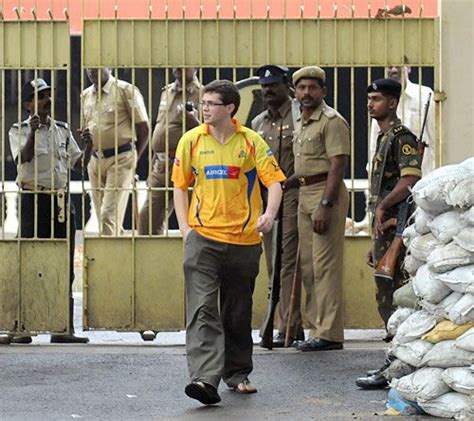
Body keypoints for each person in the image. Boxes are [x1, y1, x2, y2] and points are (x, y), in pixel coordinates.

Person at [172, 80, 285, 405]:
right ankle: (205, 380)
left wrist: (269, 215)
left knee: (237, 310)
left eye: (211, 103)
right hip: (203, 239)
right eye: (203, 102)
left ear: (230, 108)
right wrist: (185, 228)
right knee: (203, 308)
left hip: (244, 240)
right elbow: (180, 186)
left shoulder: (251, 142)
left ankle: (236, 374)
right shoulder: (191, 141)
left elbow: (274, 182)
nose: (204, 108)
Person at [4, 78, 92, 344]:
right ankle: (25, 327)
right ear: (28, 103)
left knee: (64, 265)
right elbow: (23, 159)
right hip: (34, 198)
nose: (47, 100)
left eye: (48, 95)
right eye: (40, 97)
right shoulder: (18, 130)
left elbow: (79, 166)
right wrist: (32, 132)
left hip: (60, 202)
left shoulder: (62, 131)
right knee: (29, 262)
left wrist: (88, 145)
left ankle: (63, 327)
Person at [356, 78, 422, 389]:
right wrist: (374, 239)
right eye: (369, 99)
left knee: (394, 296)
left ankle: (398, 363)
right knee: (385, 295)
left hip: (398, 228)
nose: (371, 104)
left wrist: (385, 206)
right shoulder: (383, 137)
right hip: (384, 231)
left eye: (377, 99)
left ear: (393, 103)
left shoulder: (401, 137)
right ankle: (395, 359)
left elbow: (409, 178)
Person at [289, 66, 350, 352]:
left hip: (327, 193)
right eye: (302, 88)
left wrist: (326, 204)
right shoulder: (301, 120)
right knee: (309, 267)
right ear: (295, 92)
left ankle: (329, 333)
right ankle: (316, 327)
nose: (307, 93)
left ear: (323, 91)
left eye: (313, 88)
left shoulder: (331, 120)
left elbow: (337, 165)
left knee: (325, 267)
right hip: (304, 192)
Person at [251, 64, 303, 347]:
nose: (268, 90)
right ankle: (279, 319)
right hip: (268, 197)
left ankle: (288, 324)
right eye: (264, 86)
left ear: (286, 86)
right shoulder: (258, 123)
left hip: (295, 191)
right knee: (273, 261)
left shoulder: (298, 116)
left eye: (274, 85)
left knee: (290, 261)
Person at [82, 68, 149, 236]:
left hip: (121, 158)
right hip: (95, 159)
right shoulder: (85, 95)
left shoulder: (125, 90)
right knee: (103, 216)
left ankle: (108, 260)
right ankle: (118, 254)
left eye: (97, 66)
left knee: (108, 215)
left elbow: (143, 127)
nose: (92, 71)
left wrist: (134, 159)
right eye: (89, 67)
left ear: (109, 67)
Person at [139, 68, 201, 235]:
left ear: (196, 67)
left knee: (191, 220)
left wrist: (193, 121)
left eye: (184, 65)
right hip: (160, 165)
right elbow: (160, 128)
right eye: (175, 64)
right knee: (147, 220)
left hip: (187, 165)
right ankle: (152, 259)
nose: (177, 69)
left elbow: (209, 133)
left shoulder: (202, 94)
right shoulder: (166, 92)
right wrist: (152, 164)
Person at [369, 60, 435, 176]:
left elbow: (435, 138)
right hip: (390, 181)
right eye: (389, 66)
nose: (394, 70)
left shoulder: (424, 95)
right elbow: (375, 143)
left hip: (423, 176)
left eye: (398, 64)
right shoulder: (380, 99)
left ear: (408, 67)